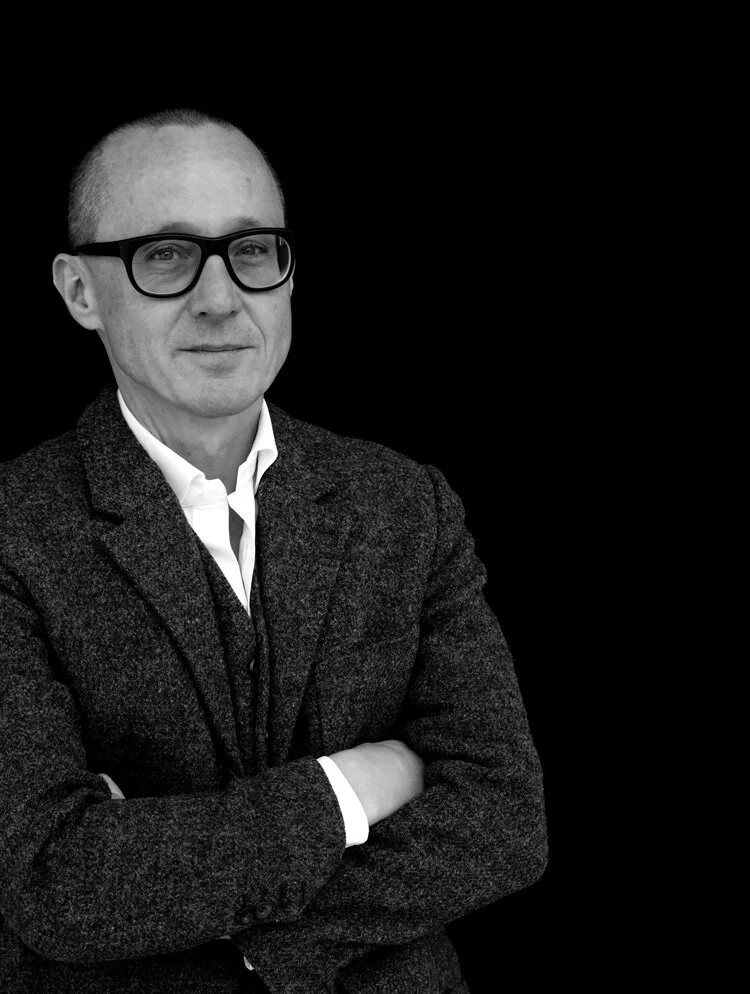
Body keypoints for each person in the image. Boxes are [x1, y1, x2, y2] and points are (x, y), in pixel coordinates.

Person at [0, 108, 548, 994]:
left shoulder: (405, 504)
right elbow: (55, 880)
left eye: (252, 250)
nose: (221, 298)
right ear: (79, 291)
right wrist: (354, 786)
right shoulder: (13, 529)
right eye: (166, 255)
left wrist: (236, 923)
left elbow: (505, 819)